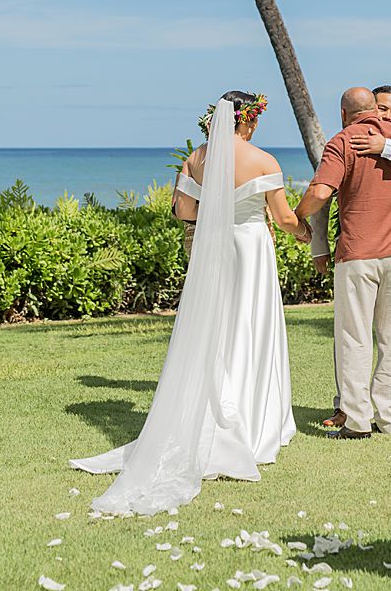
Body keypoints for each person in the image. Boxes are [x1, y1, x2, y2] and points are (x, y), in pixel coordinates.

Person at [71, 92, 308, 514]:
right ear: (248, 121)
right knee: (249, 326)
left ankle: (212, 412)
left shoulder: (196, 159)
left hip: (212, 251)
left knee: (213, 329)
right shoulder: (264, 160)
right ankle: (252, 421)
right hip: (251, 251)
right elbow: (286, 217)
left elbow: (184, 210)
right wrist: (307, 234)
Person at [295, 87, 391, 440]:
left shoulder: (342, 140)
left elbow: (321, 193)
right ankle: (389, 418)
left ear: (342, 113)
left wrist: (297, 218)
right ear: (375, 109)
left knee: (354, 339)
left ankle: (356, 422)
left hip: (357, 255)